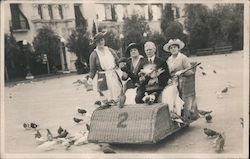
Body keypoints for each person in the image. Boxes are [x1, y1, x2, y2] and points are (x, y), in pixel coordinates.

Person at [160, 39, 195, 122]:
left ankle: (176, 113)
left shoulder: (183, 58)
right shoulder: (169, 59)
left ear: (178, 48)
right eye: (171, 48)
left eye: (175, 47)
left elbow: (190, 71)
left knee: (171, 91)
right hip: (171, 81)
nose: (173, 49)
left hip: (181, 81)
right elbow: (167, 72)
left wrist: (181, 72)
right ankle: (168, 114)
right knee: (164, 92)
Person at [88, 32, 123, 102]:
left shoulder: (110, 50)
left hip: (113, 77)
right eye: (98, 41)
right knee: (106, 100)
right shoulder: (94, 54)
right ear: (96, 43)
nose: (101, 42)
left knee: (117, 98)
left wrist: (125, 69)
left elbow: (119, 62)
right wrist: (90, 79)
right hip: (103, 78)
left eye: (102, 40)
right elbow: (92, 70)